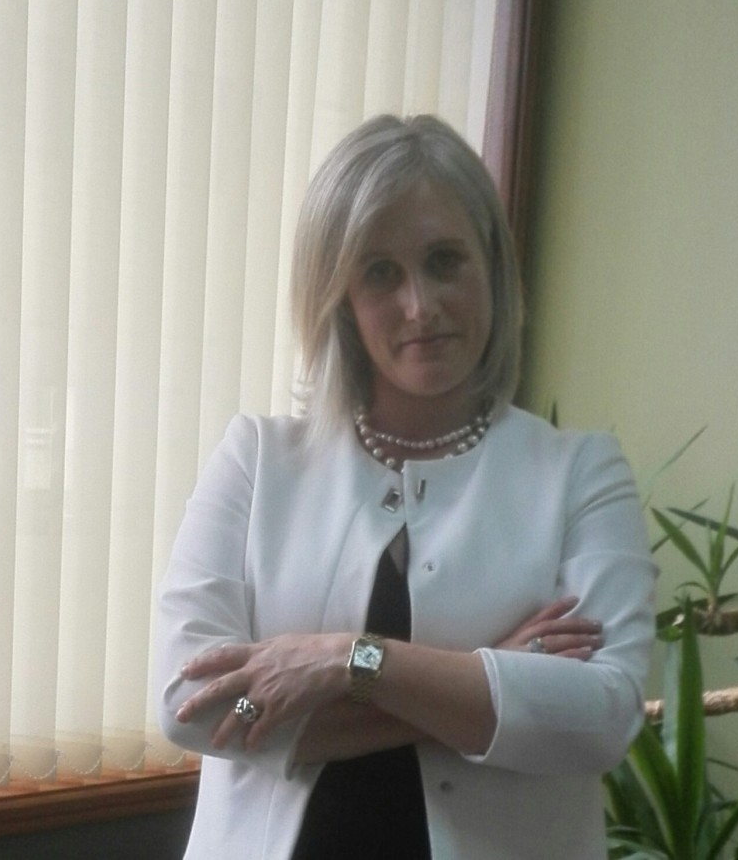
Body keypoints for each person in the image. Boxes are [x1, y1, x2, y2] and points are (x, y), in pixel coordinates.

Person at [154, 113, 657, 860]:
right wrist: (487, 675)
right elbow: (191, 707)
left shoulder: (580, 471)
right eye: (380, 273)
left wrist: (349, 661)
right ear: (342, 300)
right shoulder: (257, 459)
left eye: (445, 261)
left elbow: (602, 717)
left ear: (492, 266)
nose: (420, 305)